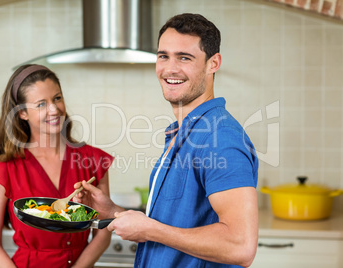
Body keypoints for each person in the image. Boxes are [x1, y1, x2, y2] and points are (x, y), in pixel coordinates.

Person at [74, 13, 259, 268]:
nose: (170, 69)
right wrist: (112, 211)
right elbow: (176, 224)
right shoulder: (184, 133)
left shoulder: (220, 137)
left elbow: (240, 246)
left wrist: (149, 229)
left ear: (213, 63)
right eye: (163, 56)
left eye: (184, 57)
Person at [0, 64, 114, 268]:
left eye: (57, 98)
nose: (54, 109)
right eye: (41, 104)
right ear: (22, 113)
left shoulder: (93, 160)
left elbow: (102, 232)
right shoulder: (3, 170)